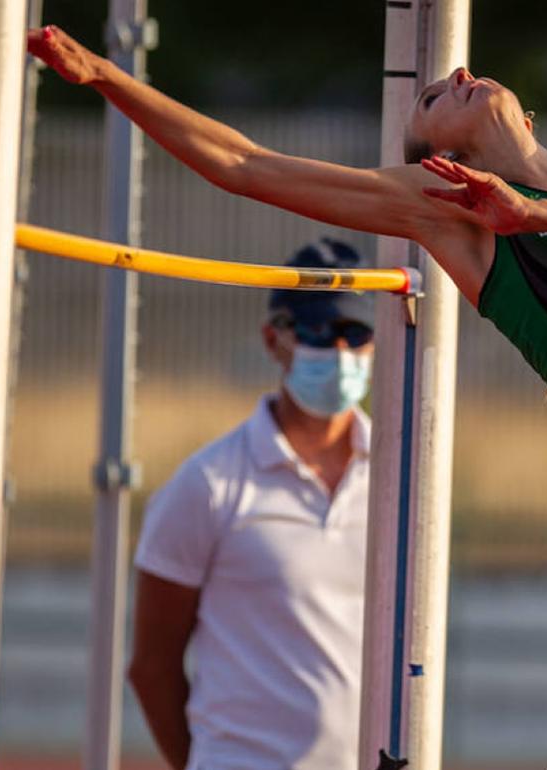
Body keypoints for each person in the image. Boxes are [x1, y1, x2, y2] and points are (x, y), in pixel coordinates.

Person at [30, 25, 547, 770]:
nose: (455, 75)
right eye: (431, 99)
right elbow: (243, 165)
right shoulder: (450, 214)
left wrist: (533, 212)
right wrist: (107, 77)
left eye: (455, 78)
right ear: (433, 151)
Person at [127, 238, 377, 770]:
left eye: (355, 334)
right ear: (274, 339)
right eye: (319, 332)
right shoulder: (208, 484)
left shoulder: (402, 481)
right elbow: (152, 667)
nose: (338, 353)